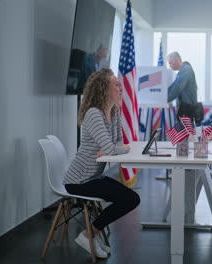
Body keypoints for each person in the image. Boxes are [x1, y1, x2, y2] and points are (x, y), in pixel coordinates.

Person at [63, 68, 140, 258]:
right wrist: (118, 148)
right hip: (79, 181)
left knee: (130, 198)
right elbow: (117, 148)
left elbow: (116, 144)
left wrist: (113, 147)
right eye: (116, 84)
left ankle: (92, 234)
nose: (121, 87)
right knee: (130, 199)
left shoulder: (113, 112)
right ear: (104, 89)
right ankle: (90, 234)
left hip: (94, 176)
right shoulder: (94, 114)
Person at [166, 51, 200, 120]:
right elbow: (173, 86)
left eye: (170, 63)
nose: (169, 66)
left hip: (188, 109)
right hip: (184, 108)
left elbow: (177, 88)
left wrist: (165, 99)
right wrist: (162, 94)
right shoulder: (181, 72)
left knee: (186, 130)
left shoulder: (186, 70)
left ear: (176, 60)